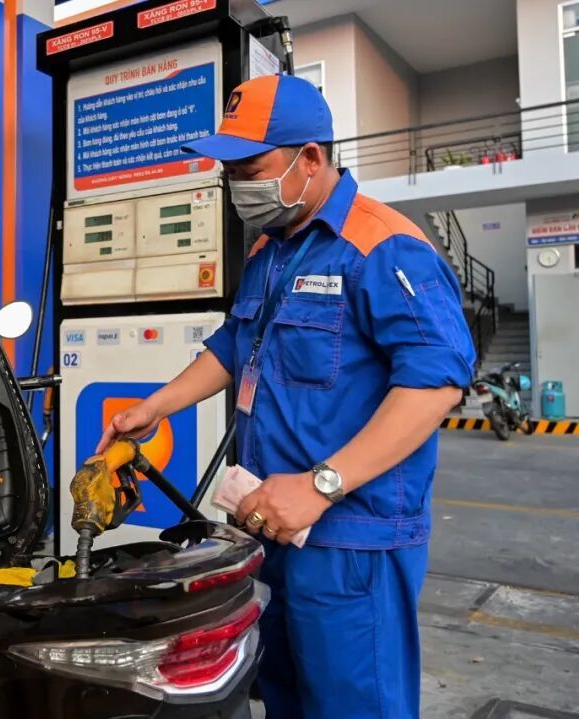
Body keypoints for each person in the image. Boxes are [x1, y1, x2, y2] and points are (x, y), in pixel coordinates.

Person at [97, 74, 475, 719]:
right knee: (285, 698)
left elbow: (434, 383)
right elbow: (234, 344)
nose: (236, 183)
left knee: (355, 707)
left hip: (349, 537)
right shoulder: (272, 246)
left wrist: (322, 485)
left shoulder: (382, 247)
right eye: (229, 170)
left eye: (250, 168)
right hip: (269, 520)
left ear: (311, 159)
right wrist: (154, 407)